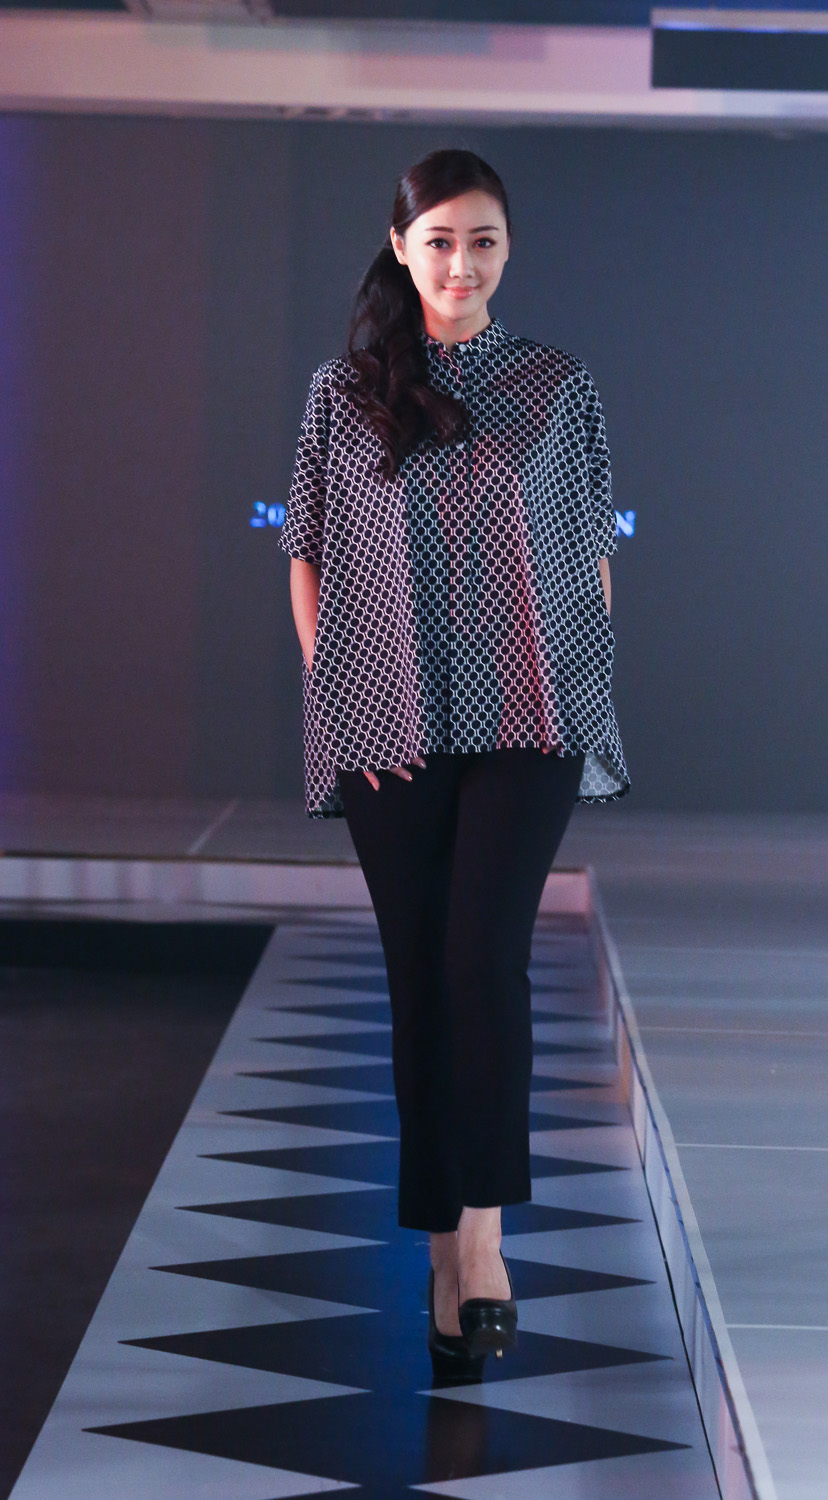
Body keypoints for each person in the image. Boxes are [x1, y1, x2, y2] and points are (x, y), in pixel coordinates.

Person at [280, 148, 629, 1381]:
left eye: (483, 241)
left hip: (529, 715)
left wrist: (583, 693)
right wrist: (341, 701)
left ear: (507, 249)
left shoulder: (558, 384)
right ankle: (439, 1251)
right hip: (391, 724)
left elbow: (590, 554)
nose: (461, 263)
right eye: (439, 240)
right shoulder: (344, 391)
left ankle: (481, 1244)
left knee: (483, 962)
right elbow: (308, 552)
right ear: (401, 246)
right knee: (421, 976)